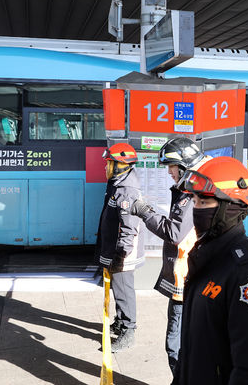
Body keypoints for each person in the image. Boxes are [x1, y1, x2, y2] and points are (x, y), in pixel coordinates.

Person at [173, 156, 248, 384]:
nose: (196, 210)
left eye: (204, 203)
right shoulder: (207, 258)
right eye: (194, 202)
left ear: (231, 207)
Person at [128, 137, 208, 373]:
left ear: (182, 165)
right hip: (192, 275)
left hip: (186, 278)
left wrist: (145, 212)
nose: (169, 173)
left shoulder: (189, 193)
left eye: (171, 168)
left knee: (176, 344)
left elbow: (174, 232)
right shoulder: (195, 187)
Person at [97, 142, 146, 353]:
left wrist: (121, 256)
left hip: (123, 252)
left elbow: (128, 228)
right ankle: (120, 321)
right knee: (118, 289)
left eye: (109, 162)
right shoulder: (117, 183)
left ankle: (129, 330)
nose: (105, 166)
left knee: (124, 290)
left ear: (120, 165)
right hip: (117, 249)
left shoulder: (126, 191)